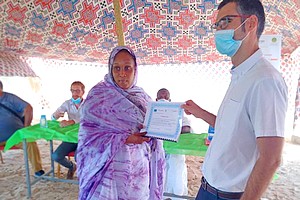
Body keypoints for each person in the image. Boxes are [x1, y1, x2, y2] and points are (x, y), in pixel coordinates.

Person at [182, 0, 288, 199]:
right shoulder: (241, 74)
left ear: (250, 23)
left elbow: (271, 158)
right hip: (208, 186)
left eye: (226, 22)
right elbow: (232, 128)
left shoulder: (265, 80)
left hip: (229, 195)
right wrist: (200, 113)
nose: (218, 31)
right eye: (217, 25)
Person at [77, 46, 165, 200]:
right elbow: (88, 138)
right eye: (116, 68)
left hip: (138, 172)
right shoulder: (98, 96)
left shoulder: (143, 97)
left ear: (135, 69)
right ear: (110, 68)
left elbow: (154, 130)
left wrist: (154, 134)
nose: (122, 74)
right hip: (109, 172)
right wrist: (126, 138)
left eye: (127, 68)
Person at [0, 80, 45, 176]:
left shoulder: (10, 98)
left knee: (30, 141)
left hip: (16, 136)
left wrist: (26, 127)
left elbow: (28, 108)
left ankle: (38, 170)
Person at [156, 88, 191, 197]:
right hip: (157, 153)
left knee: (175, 179)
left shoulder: (178, 112)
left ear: (170, 100)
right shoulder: (152, 112)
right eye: (161, 98)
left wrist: (171, 129)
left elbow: (187, 129)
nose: (163, 100)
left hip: (174, 153)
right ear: (156, 100)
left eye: (166, 98)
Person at [51, 81, 85, 179]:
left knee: (78, 156)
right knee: (56, 156)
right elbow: (55, 115)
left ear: (83, 92)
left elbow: (88, 118)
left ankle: (84, 175)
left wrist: (72, 121)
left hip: (83, 138)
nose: (75, 94)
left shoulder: (88, 104)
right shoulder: (67, 103)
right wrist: (55, 115)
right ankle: (72, 167)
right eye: (73, 91)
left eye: (78, 91)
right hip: (70, 138)